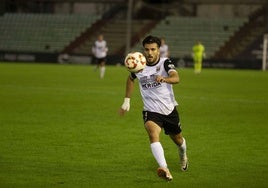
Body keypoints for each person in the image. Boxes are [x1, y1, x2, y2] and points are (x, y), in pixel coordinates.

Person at [119, 35, 188, 181]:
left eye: (153, 49)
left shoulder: (165, 63)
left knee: (178, 140)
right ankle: (164, 168)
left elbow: (176, 78)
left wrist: (164, 79)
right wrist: (127, 101)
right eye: (147, 49)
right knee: (152, 134)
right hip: (150, 110)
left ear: (158, 50)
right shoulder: (139, 64)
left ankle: (183, 155)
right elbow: (131, 79)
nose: (149, 53)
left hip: (169, 110)